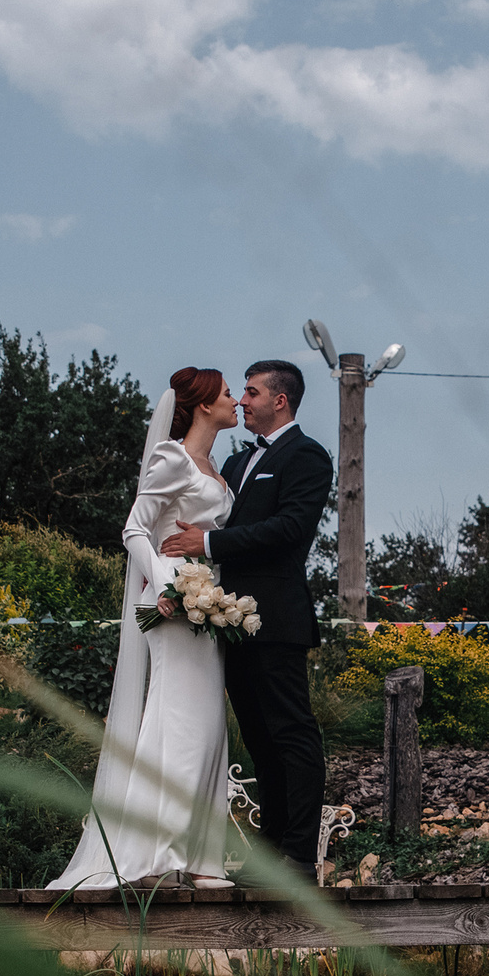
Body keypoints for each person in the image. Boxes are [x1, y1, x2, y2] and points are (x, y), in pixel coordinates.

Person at [47, 367, 239, 890]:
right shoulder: (172, 457)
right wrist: (165, 585)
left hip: (211, 607)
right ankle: (158, 855)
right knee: (179, 722)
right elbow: (134, 528)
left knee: (207, 727)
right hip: (171, 606)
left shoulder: (215, 466)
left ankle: (203, 856)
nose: (236, 401)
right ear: (202, 405)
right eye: (226, 394)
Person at [161, 358, 333, 877]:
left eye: (251, 392)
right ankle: (269, 851)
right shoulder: (233, 464)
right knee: (257, 738)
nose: (242, 400)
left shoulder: (307, 457)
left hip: (277, 619)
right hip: (225, 621)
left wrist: (208, 540)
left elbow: (289, 529)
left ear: (279, 400)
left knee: (291, 733)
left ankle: (300, 854)